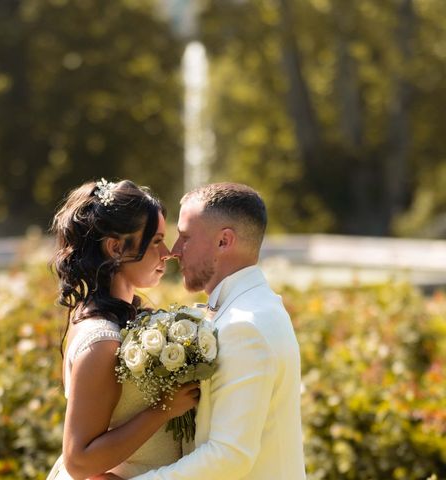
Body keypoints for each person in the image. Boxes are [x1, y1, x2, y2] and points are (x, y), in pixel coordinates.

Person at [101, 182, 306, 479]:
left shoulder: (244, 326)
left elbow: (229, 456)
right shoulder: (256, 306)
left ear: (224, 241)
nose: (174, 251)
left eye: (185, 237)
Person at [47, 179, 200, 480]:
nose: (167, 252)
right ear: (116, 248)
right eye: (156, 241)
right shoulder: (102, 338)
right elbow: (78, 462)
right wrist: (164, 409)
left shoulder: (117, 318)